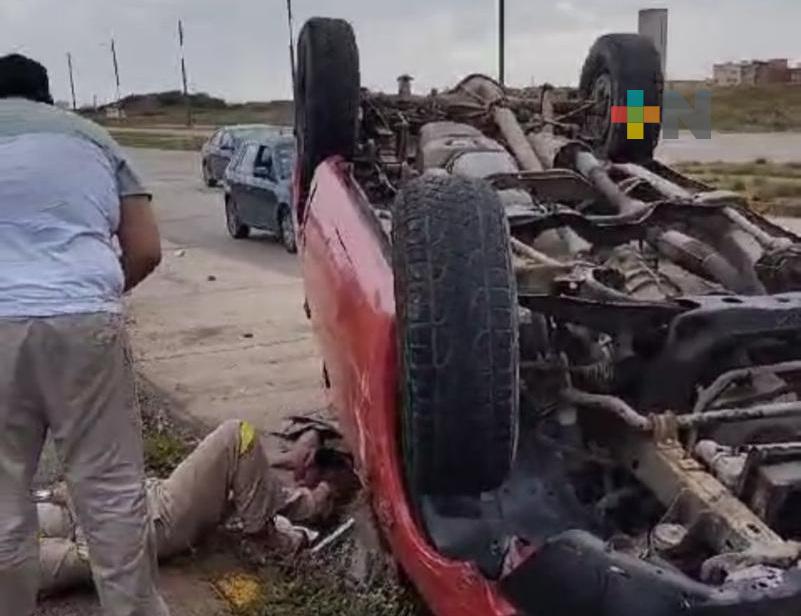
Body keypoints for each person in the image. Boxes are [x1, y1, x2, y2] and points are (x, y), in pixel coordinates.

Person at [0, 54, 164, 615]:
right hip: (85, 317)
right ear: (46, 97)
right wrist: (93, 299)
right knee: (111, 490)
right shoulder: (93, 137)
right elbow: (145, 249)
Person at [36, 420, 338, 597]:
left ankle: (302, 503)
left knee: (238, 472)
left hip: (140, 500)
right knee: (238, 434)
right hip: (153, 520)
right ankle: (273, 538)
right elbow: (90, 561)